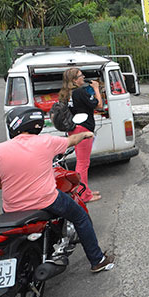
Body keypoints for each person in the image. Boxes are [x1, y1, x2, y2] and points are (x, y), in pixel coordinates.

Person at [0, 106, 115, 274]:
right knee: (80, 217)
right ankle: (97, 260)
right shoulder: (46, 142)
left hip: (11, 207)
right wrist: (86, 134)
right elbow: (72, 140)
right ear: (36, 124)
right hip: (45, 200)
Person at [60, 67, 102, 203]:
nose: (83, 77)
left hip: (74, 129)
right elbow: (99, 105)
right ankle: (84, 195)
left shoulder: (66, 93)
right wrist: (96, 88)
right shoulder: (80, 92)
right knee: (83, 164)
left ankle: (86, 191)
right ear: (74, 80)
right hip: (83, 130)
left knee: (82, 162)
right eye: (80, 75)